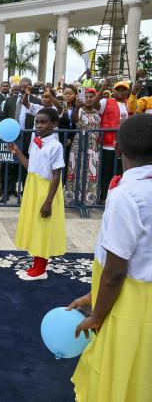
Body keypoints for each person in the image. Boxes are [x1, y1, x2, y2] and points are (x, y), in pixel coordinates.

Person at [68, 114, 152, 402]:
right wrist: (93, 294)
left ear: (117, 149)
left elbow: (116, 270)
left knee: (118, 370)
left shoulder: (126, 195)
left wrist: (98, 315)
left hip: (130, 303)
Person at [8, 108, 66, 280]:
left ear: (54, 124)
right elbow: (30, 166)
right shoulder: (36, 141)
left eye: (43, 122)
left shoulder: (56, 145)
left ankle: (41, 269)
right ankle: (35, 264)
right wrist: (17, 153)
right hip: (32, 187)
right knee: (34, 225)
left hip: (45, 190)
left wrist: (48, 201)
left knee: (43, 227)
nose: (39, 126)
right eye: (37, 122)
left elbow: (56, 174)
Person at [92, 80, 136, 202]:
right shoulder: (106, 101)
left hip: (124, 145)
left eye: (123, 89)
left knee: (120, 174)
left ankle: (118, 199)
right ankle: (103, 198)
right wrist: (101, 89)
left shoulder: (130, 104)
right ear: (113, 91)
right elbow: (95, 105)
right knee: (106, 172)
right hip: (108, 145)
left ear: (128, 91)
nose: (120, 92)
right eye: (118, 89)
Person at [0, 77, 42, 199]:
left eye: (26, 84)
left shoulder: (36, 101)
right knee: (10, 165)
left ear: (30, 86)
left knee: (26, 165)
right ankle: (7, 192)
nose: (23, 85)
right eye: (21, 83)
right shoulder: (10, 100)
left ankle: (26, 193)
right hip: (12, 137)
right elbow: (3, 117)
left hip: (29, 137)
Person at [64, 88, 101, 205]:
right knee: (74, 170)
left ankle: (88, 201)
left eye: (92, 97)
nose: (89, 99)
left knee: (91, 172)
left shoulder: (98, 111)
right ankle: (72, 199)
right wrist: (77, 107)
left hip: (93, 146)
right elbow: (74, 120)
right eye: (87, 97)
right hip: (78, 145)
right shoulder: (79, 110)